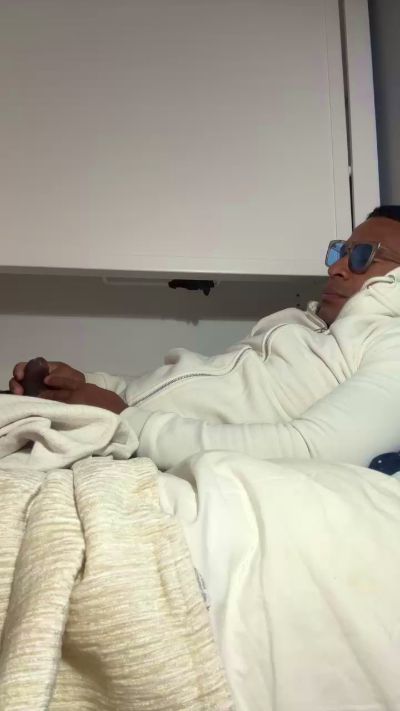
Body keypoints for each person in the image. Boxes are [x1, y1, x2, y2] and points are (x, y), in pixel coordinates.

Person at [9, 205, 400, 471]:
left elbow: (316, 449)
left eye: (364, 256)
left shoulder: (391, 343)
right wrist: (88, 385)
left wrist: (123, 421)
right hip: (114, 431)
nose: (336, 269)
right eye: (341, 252)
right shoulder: (302, 325)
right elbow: (189, 395)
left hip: (123, 441)